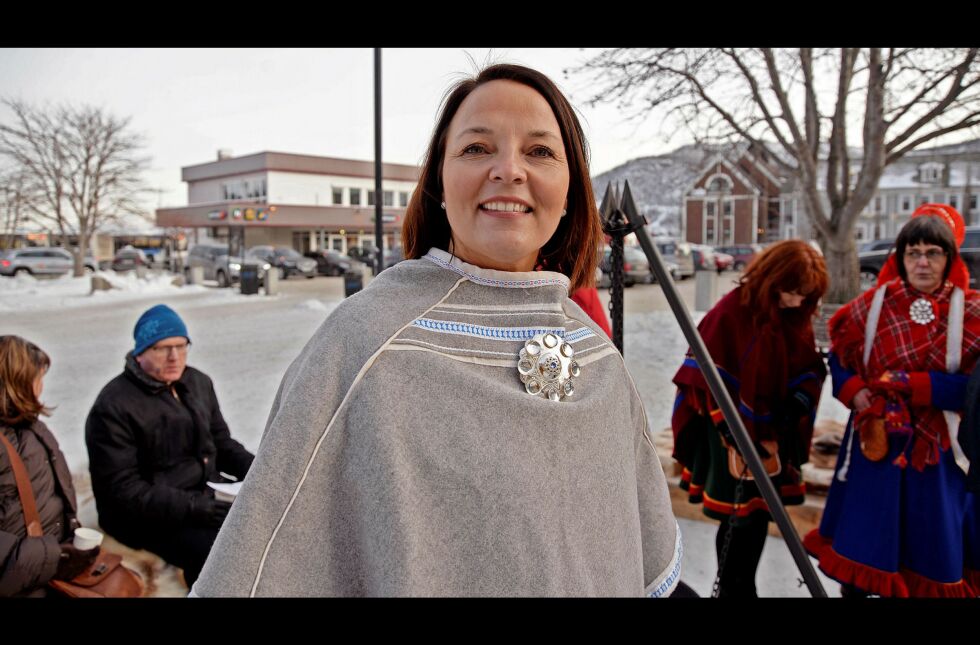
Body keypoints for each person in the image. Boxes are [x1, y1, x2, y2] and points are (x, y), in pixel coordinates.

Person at [191, 64, 680, 597]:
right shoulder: (364, 344)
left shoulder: (597, 354)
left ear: (569, 193)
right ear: (440, 185)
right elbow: (268, 551)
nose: (509, 170)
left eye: (540, 151)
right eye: (476, 148)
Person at [804, 204, 980, 597]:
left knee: (929, 553)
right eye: (912, 253)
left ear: (949, 258)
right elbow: (842, 359)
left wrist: (917, 385)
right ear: (899, 258)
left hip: (934, 459)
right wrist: (855, 391)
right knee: (867, 549)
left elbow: (974, 389)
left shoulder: (971, 314)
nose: (922, 262)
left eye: (932, 253)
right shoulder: (870, 308)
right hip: (876, 451)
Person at [671, 240, 829, 597]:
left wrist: (795, 407)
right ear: (773, 280)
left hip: (775, 432)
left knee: (757, 517)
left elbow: (808, 368)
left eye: (805, 295)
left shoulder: (795, 314)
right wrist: (733, 433)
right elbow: (703, 382)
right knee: (737, 518)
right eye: (792, 292)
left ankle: (743, 588)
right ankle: (734, 589)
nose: (797, 302)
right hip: (729, 434)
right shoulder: (731, 312)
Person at [85, 304, 254, 588]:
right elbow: (122, 491)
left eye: (181, 346)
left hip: (206, 494)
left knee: (263, 528)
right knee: (219, 552)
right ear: (141, 352)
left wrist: (258, 471)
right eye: (162, 348)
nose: (175, 357)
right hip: (144, 516)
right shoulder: (113, 405)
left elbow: (221, 442)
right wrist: (195, 507)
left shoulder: (198, 382)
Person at [0, 336, 98, 597]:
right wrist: (54, 557)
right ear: (16, 382)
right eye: (38, 378)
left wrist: (71, 546)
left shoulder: (32, 428)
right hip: (25, 581)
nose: (42, 387)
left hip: (46, 568)